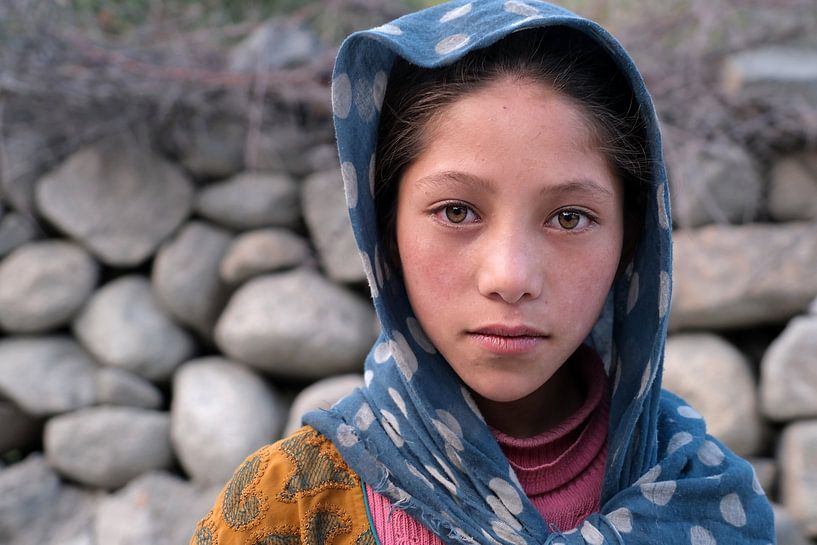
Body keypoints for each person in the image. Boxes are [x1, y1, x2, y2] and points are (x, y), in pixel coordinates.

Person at [190, 1, 775, 544]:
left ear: (633, 242)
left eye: (569, 217)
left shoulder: (704, 495)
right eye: (457, 212)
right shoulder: (287, 507)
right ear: (384, 232)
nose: (510, 276)